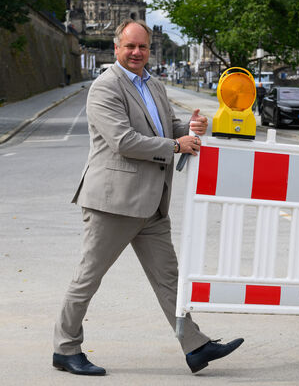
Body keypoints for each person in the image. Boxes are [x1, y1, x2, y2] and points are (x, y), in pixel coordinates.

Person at [53, 20, 243, 376]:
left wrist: (191, 128)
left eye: (142, 47)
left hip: (152, 204)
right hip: (114, 203)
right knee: (88, 278)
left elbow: (169, 127)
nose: (137, 53)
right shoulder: (105, 87)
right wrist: (175, 145)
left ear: (149, 50)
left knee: (168, 277)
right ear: (116, 49)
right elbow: (123, 141)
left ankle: (196, 346)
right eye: (130, 47)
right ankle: (65, 349)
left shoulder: (153, 84)